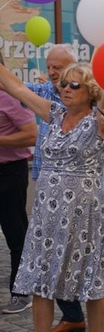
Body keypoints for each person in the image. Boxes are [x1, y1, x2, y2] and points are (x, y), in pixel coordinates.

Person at [0, 44, 104, 332]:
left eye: (73, 84)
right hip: (49, 208)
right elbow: (18, 89)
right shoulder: (55, 114)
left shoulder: (97, 120)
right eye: (61, 83)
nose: (64, 86)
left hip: (81, 211)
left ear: (89, 92)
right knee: (48, 269)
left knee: (87, 268)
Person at [0, 53, 37, 314]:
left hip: (9, 173)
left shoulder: (8, 96)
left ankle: (22, 292)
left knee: (15, 232)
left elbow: (31, 134)